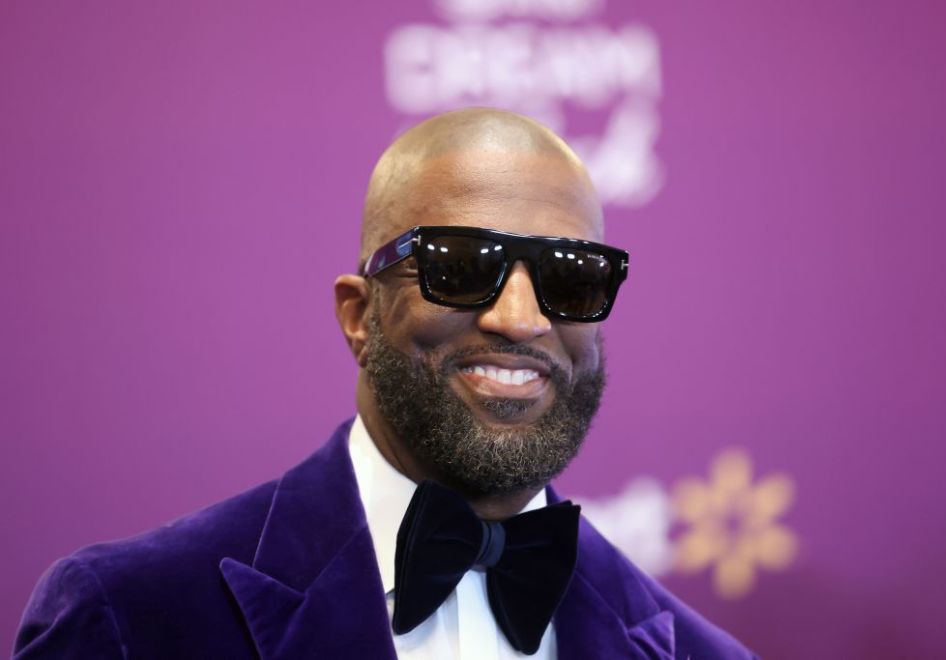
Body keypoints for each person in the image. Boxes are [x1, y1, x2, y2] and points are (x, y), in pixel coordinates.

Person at [14, 108, 757, 659]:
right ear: (359, 316)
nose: (520, 319)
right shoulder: (131, 618)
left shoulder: (703, 656)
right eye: (459, 267)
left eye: (570, 277)